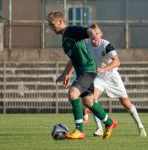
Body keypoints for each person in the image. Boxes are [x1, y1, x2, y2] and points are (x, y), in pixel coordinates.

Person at [46, 12, 117, 140]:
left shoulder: (71, 31)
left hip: (87, 70)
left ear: (61, 22)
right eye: (49, 25)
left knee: (73, 94)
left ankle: (79, 130)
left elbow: (88, 30)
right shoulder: (65, 39)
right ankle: (109, 122)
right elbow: (73, 59)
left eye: (52, 24)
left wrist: (95, 36)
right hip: (81, 71)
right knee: (88, 102)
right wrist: (66, 73)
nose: (51, 28)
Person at [83, 23, 147, 137]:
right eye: (92, 34)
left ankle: (141, 127)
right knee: (91, 100)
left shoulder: (106, 45)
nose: (95, 36)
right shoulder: (86, 45)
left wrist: (104, 69)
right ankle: (99, 128)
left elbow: (117, 62)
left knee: (126, 103)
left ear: (101, 34)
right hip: (99, 77)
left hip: (112, 75)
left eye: (97, 33)